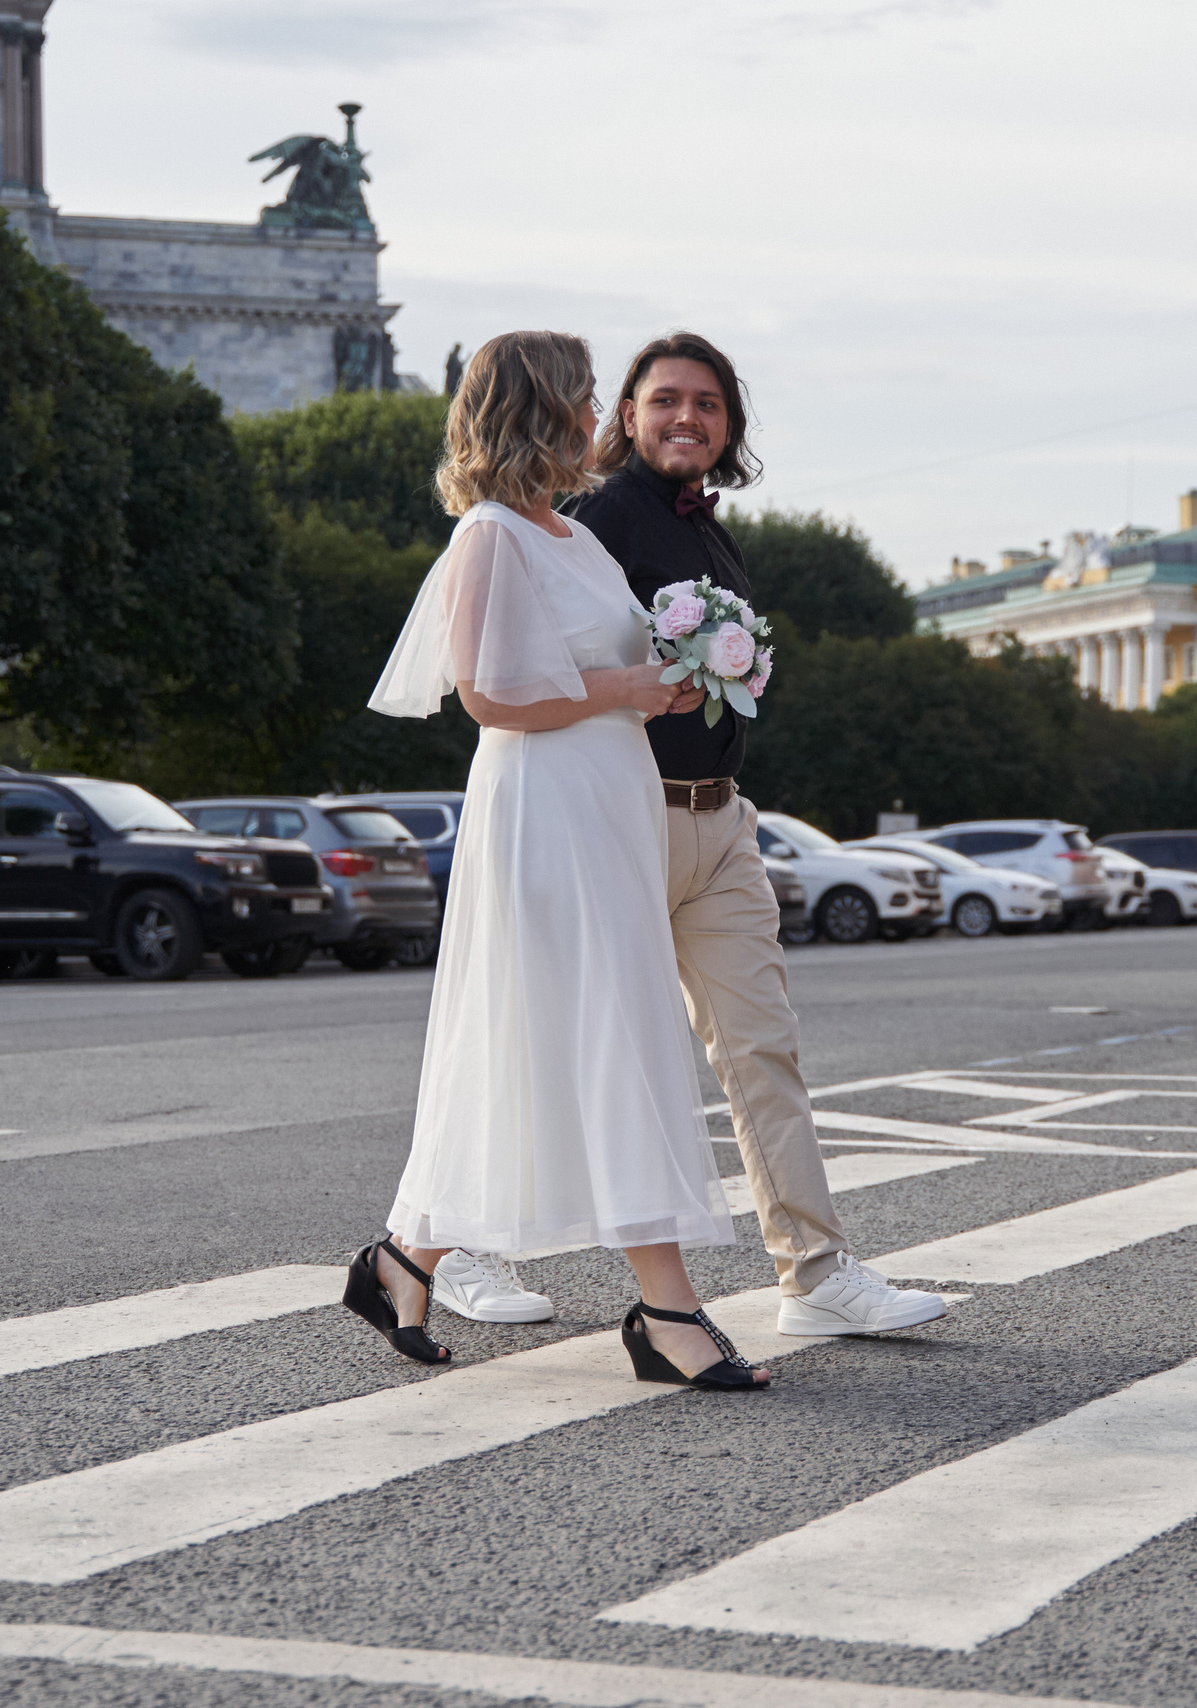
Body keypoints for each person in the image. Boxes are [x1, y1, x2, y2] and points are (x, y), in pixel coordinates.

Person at [353, 330, 768, 1391]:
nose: (597, 416)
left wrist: (679, 672)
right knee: (602, 1030)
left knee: (550, 1037)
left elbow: (595, 663)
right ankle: (667, 1310)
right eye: (583, 398)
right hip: (543, 809)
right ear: (536, 411)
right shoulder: (491, 535)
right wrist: (625, 693)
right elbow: (490, 698)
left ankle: (407, 1255)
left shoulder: (569, 537)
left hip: (604, 800)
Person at [540, 330, 946, 1339]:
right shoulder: (590, 521)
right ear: (626, 415)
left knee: (762, 1048)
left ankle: (811, 1272)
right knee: (556, 1042)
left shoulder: (716, 535)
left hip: (720, 824)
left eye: (708, 405)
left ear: (730, 427)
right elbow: (534, 670)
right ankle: (445, 1246)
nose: (687, 418)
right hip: (624, 821)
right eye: (666, 399)